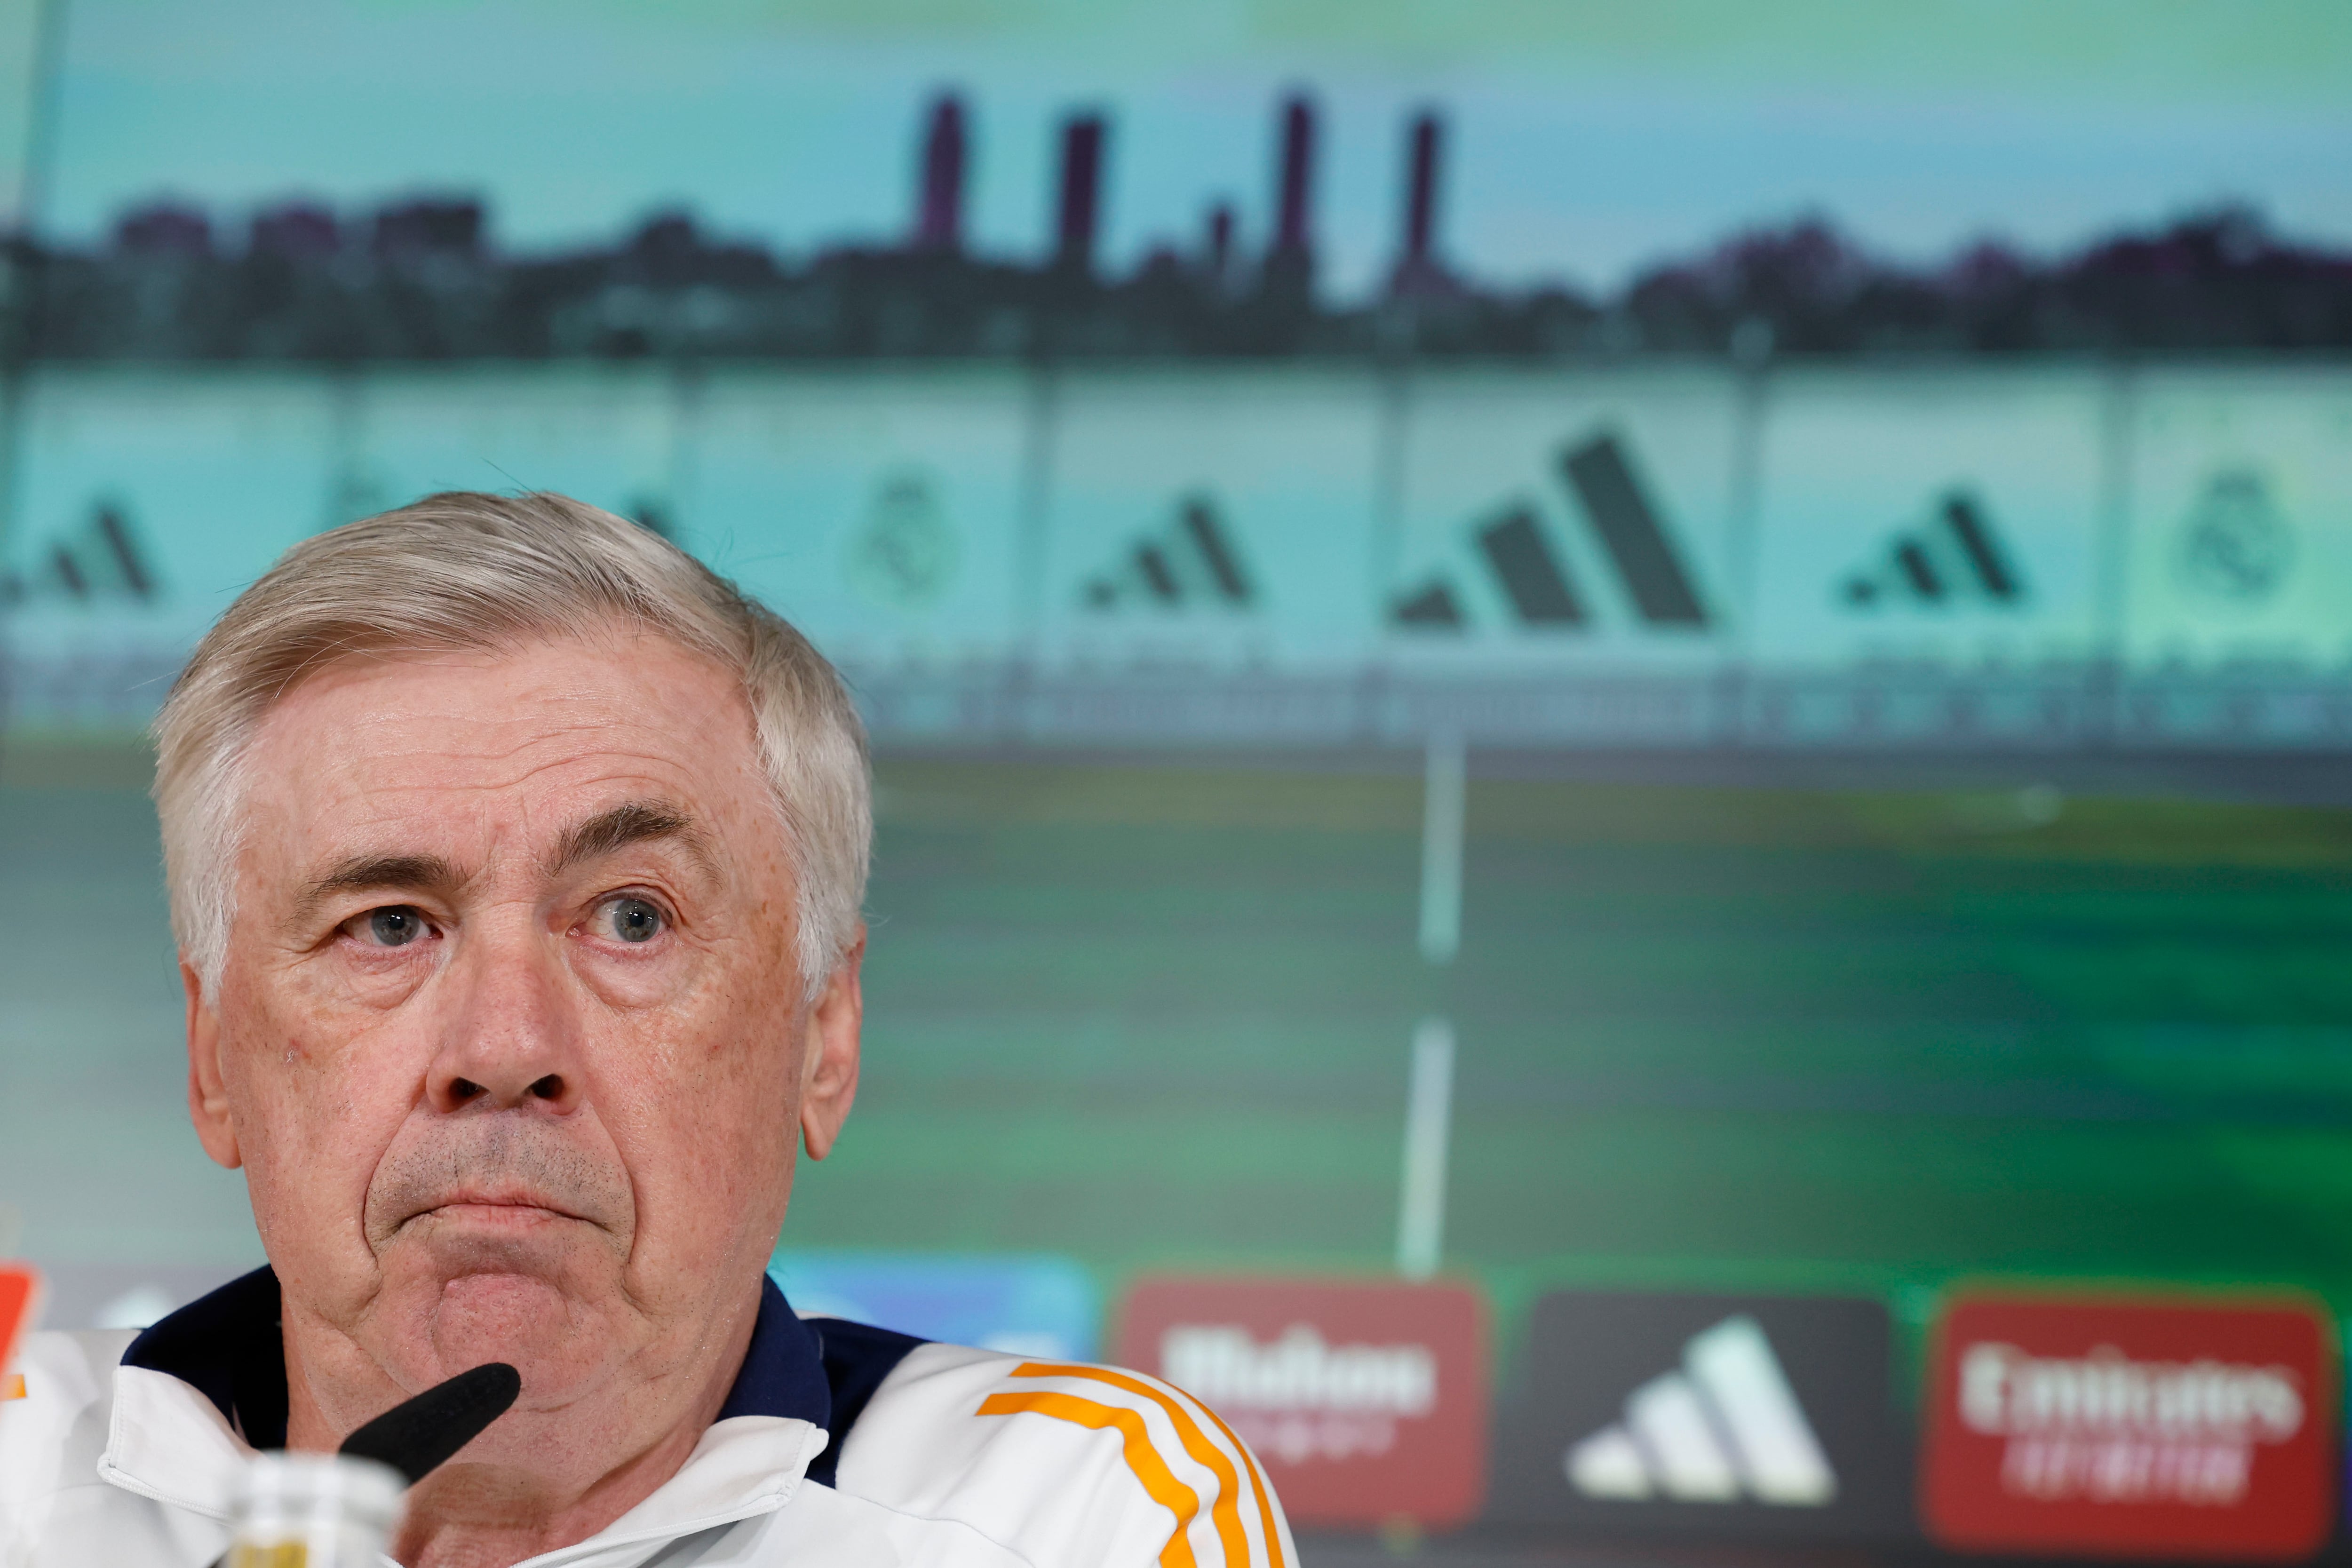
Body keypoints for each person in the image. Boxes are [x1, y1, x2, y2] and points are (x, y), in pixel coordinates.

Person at [0, 493, 1291, 1568]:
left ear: (824, 1035)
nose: (503, 1047)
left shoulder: (1070, 1519)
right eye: (390, 925)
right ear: (214, 1058)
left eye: (631, 918)